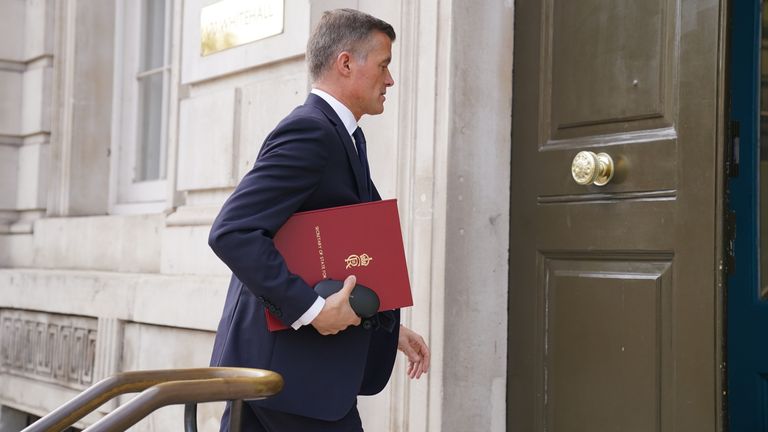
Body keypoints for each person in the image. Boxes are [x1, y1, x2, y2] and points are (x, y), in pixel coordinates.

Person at [208, 8, 430, 432]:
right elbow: (233, 232)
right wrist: (311, 311)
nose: (390, 80)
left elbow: (333, 251)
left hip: (289, 375)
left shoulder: (343, 135)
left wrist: (385, 328)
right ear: (346, 63)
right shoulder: (311, 132)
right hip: (289, 377)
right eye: (384, 65)